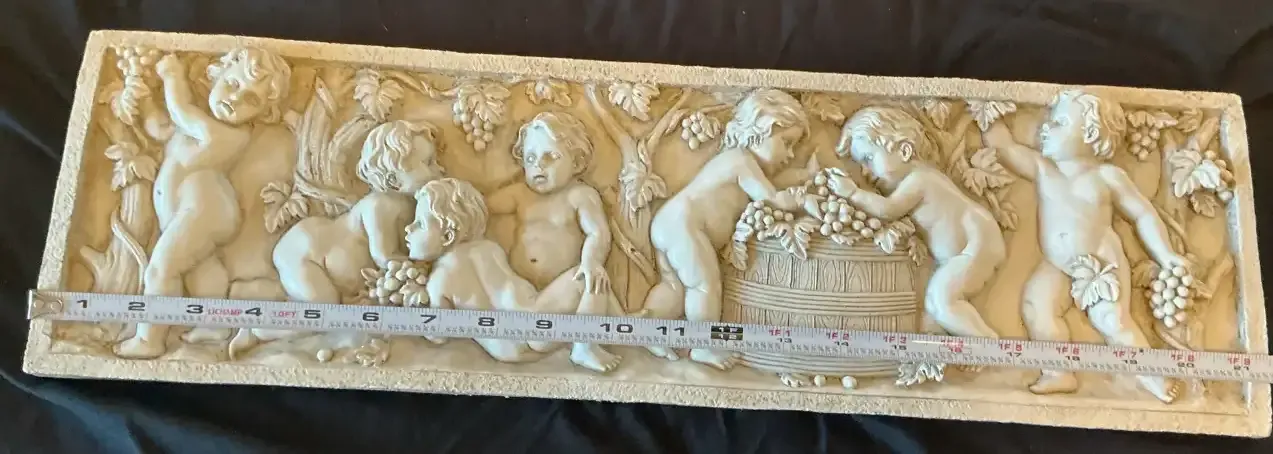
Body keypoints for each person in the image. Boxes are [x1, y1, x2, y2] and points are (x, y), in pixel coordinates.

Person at [981, 89, 1185, 403]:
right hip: (1057, 265)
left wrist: (1166, 254)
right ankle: (1058, 371)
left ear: (1090, 134)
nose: (1046, 126)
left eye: (1059, 122)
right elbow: (1005, 148)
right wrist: (985, 112)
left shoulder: (1107, 176)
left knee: (1113, 323)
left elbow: (1143, 214)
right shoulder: (1043, 169)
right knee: (1037, 306)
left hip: (1099, 265)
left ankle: (1154, 376)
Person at [826, 105, 1003, 341]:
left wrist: (853, 193)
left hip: (976, 245)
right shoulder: (921, 178)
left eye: (869, 159)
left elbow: (889, 210)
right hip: (971, 246)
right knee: (935, 307)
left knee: (942, 300)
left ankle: (988, 345)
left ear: (905, 150)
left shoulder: (919, 179)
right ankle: (962, 342)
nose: (865, 172)